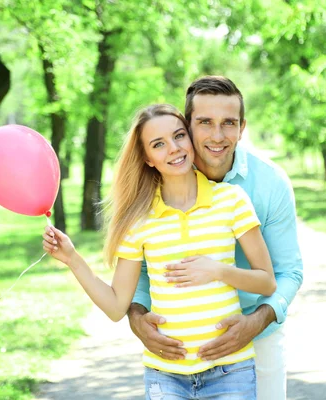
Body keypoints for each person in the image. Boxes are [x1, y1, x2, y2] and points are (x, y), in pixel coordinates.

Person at [42, 104, 277, 399]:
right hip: (165, 375)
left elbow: (267, 281)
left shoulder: (231, 200)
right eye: (158, 144)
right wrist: (72, 259)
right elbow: (116, 307)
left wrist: (217, 270)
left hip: (230, 371)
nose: (174, 149)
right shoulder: (139, 219)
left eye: (179, 136)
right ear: (147, 159)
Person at [128, 76, 304, 400]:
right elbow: (138, 266)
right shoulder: (162, 179)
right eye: (205, 122)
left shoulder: (270, 184)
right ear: (187, 125)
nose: (217, 136)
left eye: (229, 123)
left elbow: (289, 272)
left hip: (259, 332)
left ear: (242, 127)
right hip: (182, 347)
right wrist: (136, 318)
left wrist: (255, 322)